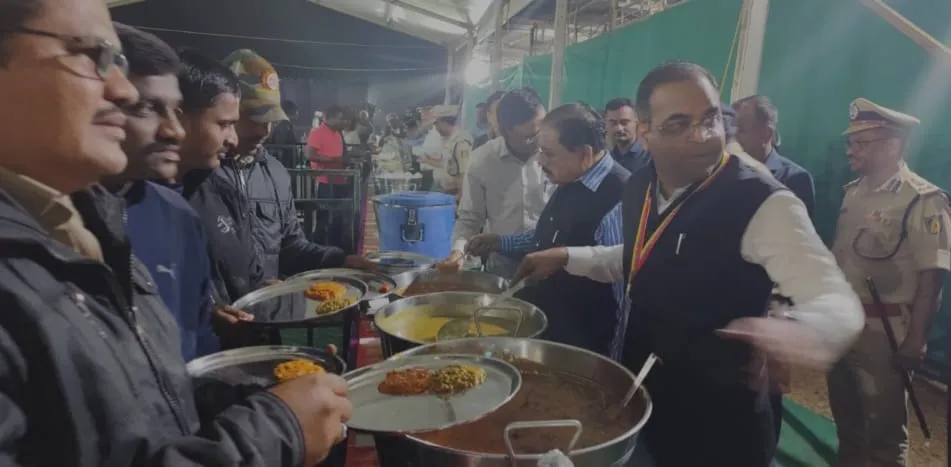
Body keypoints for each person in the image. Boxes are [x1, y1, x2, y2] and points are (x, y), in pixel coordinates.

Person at [0, 2, 350, 465]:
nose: (122, 90)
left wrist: (257, 394)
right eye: (90, 55)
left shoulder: (92, 227)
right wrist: (272, 432)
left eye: (118, 62)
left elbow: (150, 408)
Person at [512, 61, 864, 466]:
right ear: (645, 132)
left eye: (710, 119)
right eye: (678, 124)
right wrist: (567, 257)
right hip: (648, 402)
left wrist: (798, 330)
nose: (702, 135)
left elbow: (838, 302)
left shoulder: (761, 200)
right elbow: (644, 257)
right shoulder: (641, 186)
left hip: (720, 428)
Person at [828, 98, 951, 467]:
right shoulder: (853, 191)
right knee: (847, 423)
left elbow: (933, 274)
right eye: (851, 142)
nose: (851, 150)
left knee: (884, 436)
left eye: (861, 143)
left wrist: (916, 339)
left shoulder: (922, 200)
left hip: (886, 332)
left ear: (892, 145)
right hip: (844, 325)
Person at [468, 103, 629, 357]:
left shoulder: (618, 198)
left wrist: (614, 364)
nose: (540, 162)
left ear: (585, 154)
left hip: (584, 348)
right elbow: (551, 235)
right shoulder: (572, 178)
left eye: (548, 154)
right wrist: (501, 242)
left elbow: (624, 294)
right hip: (551, 331)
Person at [108, 23, 218, 361]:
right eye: (146, 107)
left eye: (176, 111)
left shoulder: (179, 215)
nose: (174, 131)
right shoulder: (46, 227)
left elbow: (197, 342)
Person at [219, 50, 373, 281]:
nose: (265, 131)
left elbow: (292, 247)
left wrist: (339, 260)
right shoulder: (198, 176)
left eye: (271, 120)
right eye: (253, 118)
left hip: (268, 300)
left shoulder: (275, 174)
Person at [441, 88, 550, 279]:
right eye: (529, 137)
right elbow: (470, 218)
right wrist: (458, 251)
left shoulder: (555, 155)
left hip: (550, 260)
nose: (538, 141)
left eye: (541, 132)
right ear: (505, 130)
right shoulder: (483, 160)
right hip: (503, 264)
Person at [733, 95, 816, 216]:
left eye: (740, 129)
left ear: (766, 134)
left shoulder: (795, 180)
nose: (732, 137)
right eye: (729, 129)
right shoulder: (727, 171)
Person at [418, 104, 473, 197]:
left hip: (456, 193)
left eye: (437, 124)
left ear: (444, 122)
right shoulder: (448, 140)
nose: (436, 128)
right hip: (447, 191)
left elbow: (465, 175)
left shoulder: (461, 142)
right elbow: (447, 164)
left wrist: (459, 199)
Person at [307, 104, 349, 193]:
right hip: (324, 181)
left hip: (339, 179)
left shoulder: (338, 134)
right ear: (331, 118)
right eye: (340, 119)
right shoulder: (317, 133)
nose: (343, 122)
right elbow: (310, 155)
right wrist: (334, 160)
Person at [604, 97, 651, 173]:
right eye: (613, 123)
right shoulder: (606, 159)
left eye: (624, 123)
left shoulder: (650, 157)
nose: (619, 128)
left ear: (636, 122)